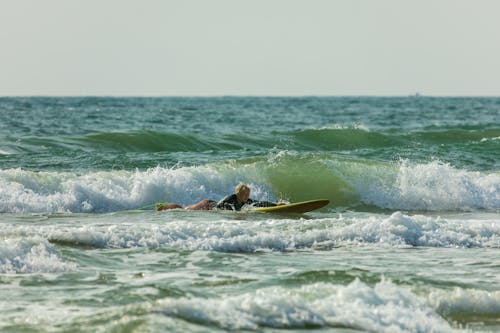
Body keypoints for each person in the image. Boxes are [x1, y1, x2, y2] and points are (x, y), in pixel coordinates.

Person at [156, 183, 279, 211]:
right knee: (184, 210)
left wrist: (276, 205)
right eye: (245, 194)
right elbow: (220, 207)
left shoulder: (246, 200)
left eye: (248, 194)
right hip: (207, 205)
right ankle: (164, 206)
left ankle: (164, 206)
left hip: (210, 206)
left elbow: (260, 203)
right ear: (238, 194)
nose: (247, 197)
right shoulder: (232, 198)